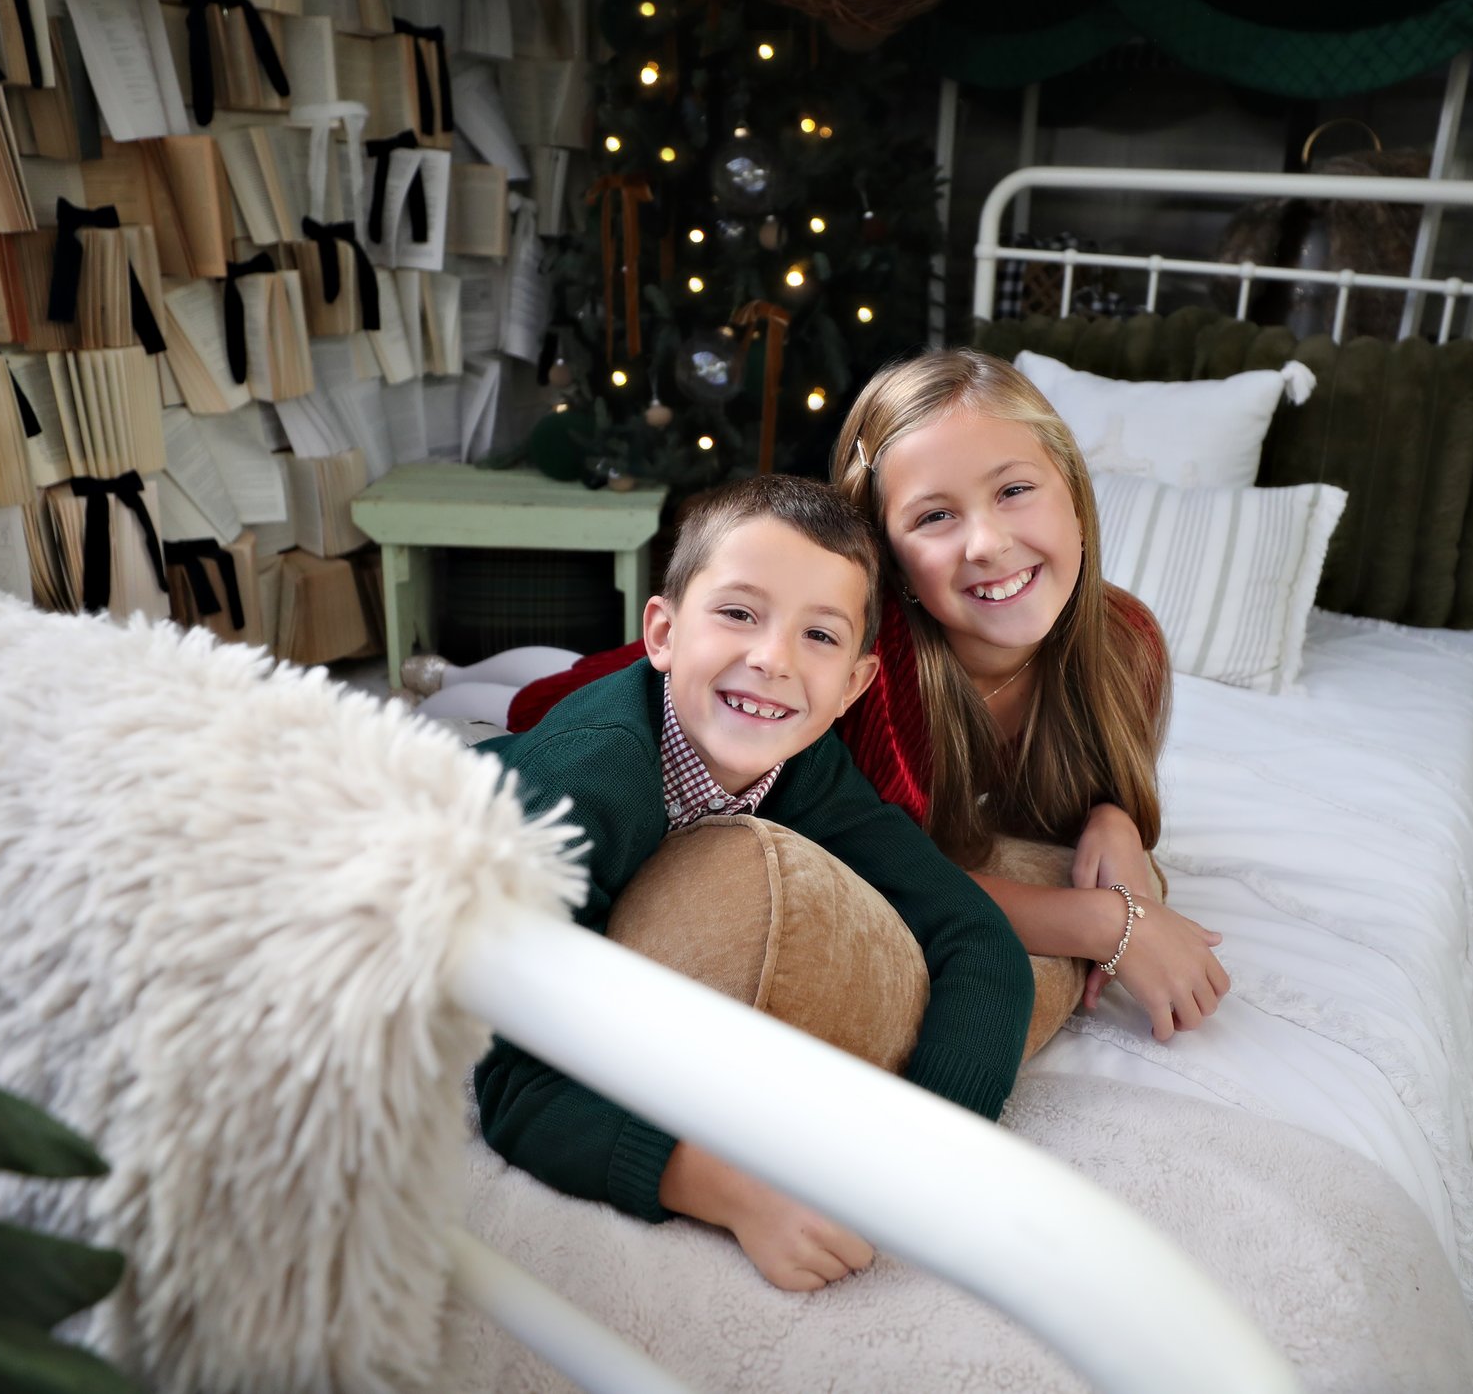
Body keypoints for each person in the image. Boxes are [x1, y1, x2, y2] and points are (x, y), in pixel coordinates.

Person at [510, 350, 1230, 1042]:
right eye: (934, 516)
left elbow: (1105, 778)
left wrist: (1114, 817)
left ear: (1074, 492)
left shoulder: (1126, 642)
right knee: (531, 699)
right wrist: (1107, 923)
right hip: (621, 698)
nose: (986, 543)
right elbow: (892, 877)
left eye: (1014, 490)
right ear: (892, 566)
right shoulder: (871, 674)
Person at [473, 473, 1034, 1292]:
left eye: (820, 634)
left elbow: (974, 935)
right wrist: (733, 1191)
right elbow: (514, 1084)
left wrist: (926, 1146)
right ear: (663, 633)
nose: (773, 659)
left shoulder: (805, 764)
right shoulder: (589, 781)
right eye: (738, 613)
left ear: (854, 686)